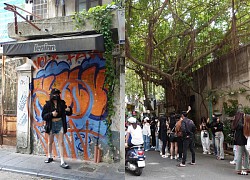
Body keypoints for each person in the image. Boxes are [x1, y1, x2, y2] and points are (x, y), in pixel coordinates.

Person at [42, 88, 72, 169]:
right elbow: (43, 116)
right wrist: (51, 114)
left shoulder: (62, 103)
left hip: (60, 123)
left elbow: (67, 113)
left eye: (57, 94)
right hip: (51, 124)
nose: (56, 96)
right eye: (54, 94)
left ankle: (62, 161)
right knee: (50, 142)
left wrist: (69, 110)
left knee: (61, 142)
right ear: (51, 95)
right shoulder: (47, 105)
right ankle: (50, 157)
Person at [232, 108, 249, 175]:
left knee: (244, 153)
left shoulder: (236, 120)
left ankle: (246, 167)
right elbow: (243, 127)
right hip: (241, 139)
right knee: (241, 154)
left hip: (239, 139)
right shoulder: (240, 121)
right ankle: (239, 169)